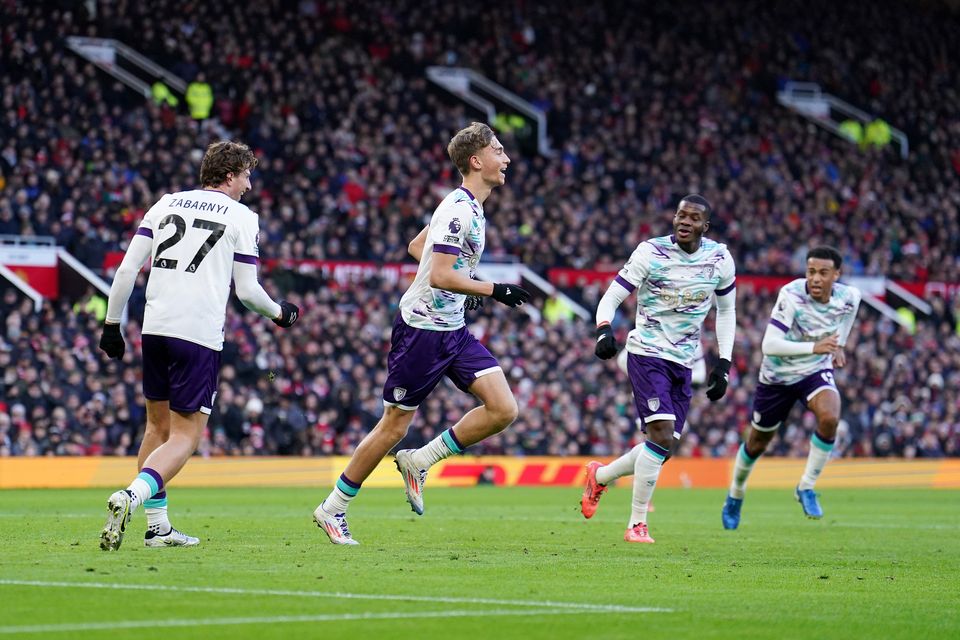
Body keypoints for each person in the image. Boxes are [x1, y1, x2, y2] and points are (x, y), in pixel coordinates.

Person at [313, 122, 530, 545]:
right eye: (498, 151)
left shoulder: (469, 207)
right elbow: (440, 271)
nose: (505, 159)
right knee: (393, 426)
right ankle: (332, 508)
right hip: (421, 331)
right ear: (476, 160)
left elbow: (418, 247)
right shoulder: (458, 210)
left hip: (452, 330)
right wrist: (492, 288)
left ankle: (421, 460)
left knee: (503, 409)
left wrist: (464, 283)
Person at [97, 141, 299, 551]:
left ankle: (157, 527)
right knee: (186, 437)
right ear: (229, 175)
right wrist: (281, 313)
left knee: (156, 427)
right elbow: (247, 291)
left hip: (154, 329)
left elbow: (126, 270)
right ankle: (132, 496)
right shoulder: (242, 216)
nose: (248, 184)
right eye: (245, 175)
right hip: (198, 336)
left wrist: (111, 325)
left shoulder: (166, 203)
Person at [579, 194, 737, 543]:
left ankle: (601, 476)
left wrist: (723, 362)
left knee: (664, 449)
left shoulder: (720, 258)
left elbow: (726, 312)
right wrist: (604, 327)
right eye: (680, 215)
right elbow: (613, 294)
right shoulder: (651, 252)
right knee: (662, 435)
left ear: (704, 226)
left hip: (685, 361)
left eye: (693, 218)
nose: (684, 221)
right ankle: (637, 524)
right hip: (646, 353)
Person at [721, 246, 860, 529]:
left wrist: (839, 345)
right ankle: (735, 494)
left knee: (831, 417)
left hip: (813, 370)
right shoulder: (792, 295)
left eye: (823, 273)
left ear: (837, 275)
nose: (816, 278)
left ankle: (806, 486)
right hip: (777, 377)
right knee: (758, 443)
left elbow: (849, 312)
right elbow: (768, 345)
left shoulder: (849, 296)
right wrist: (816, 346)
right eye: (811, 272)